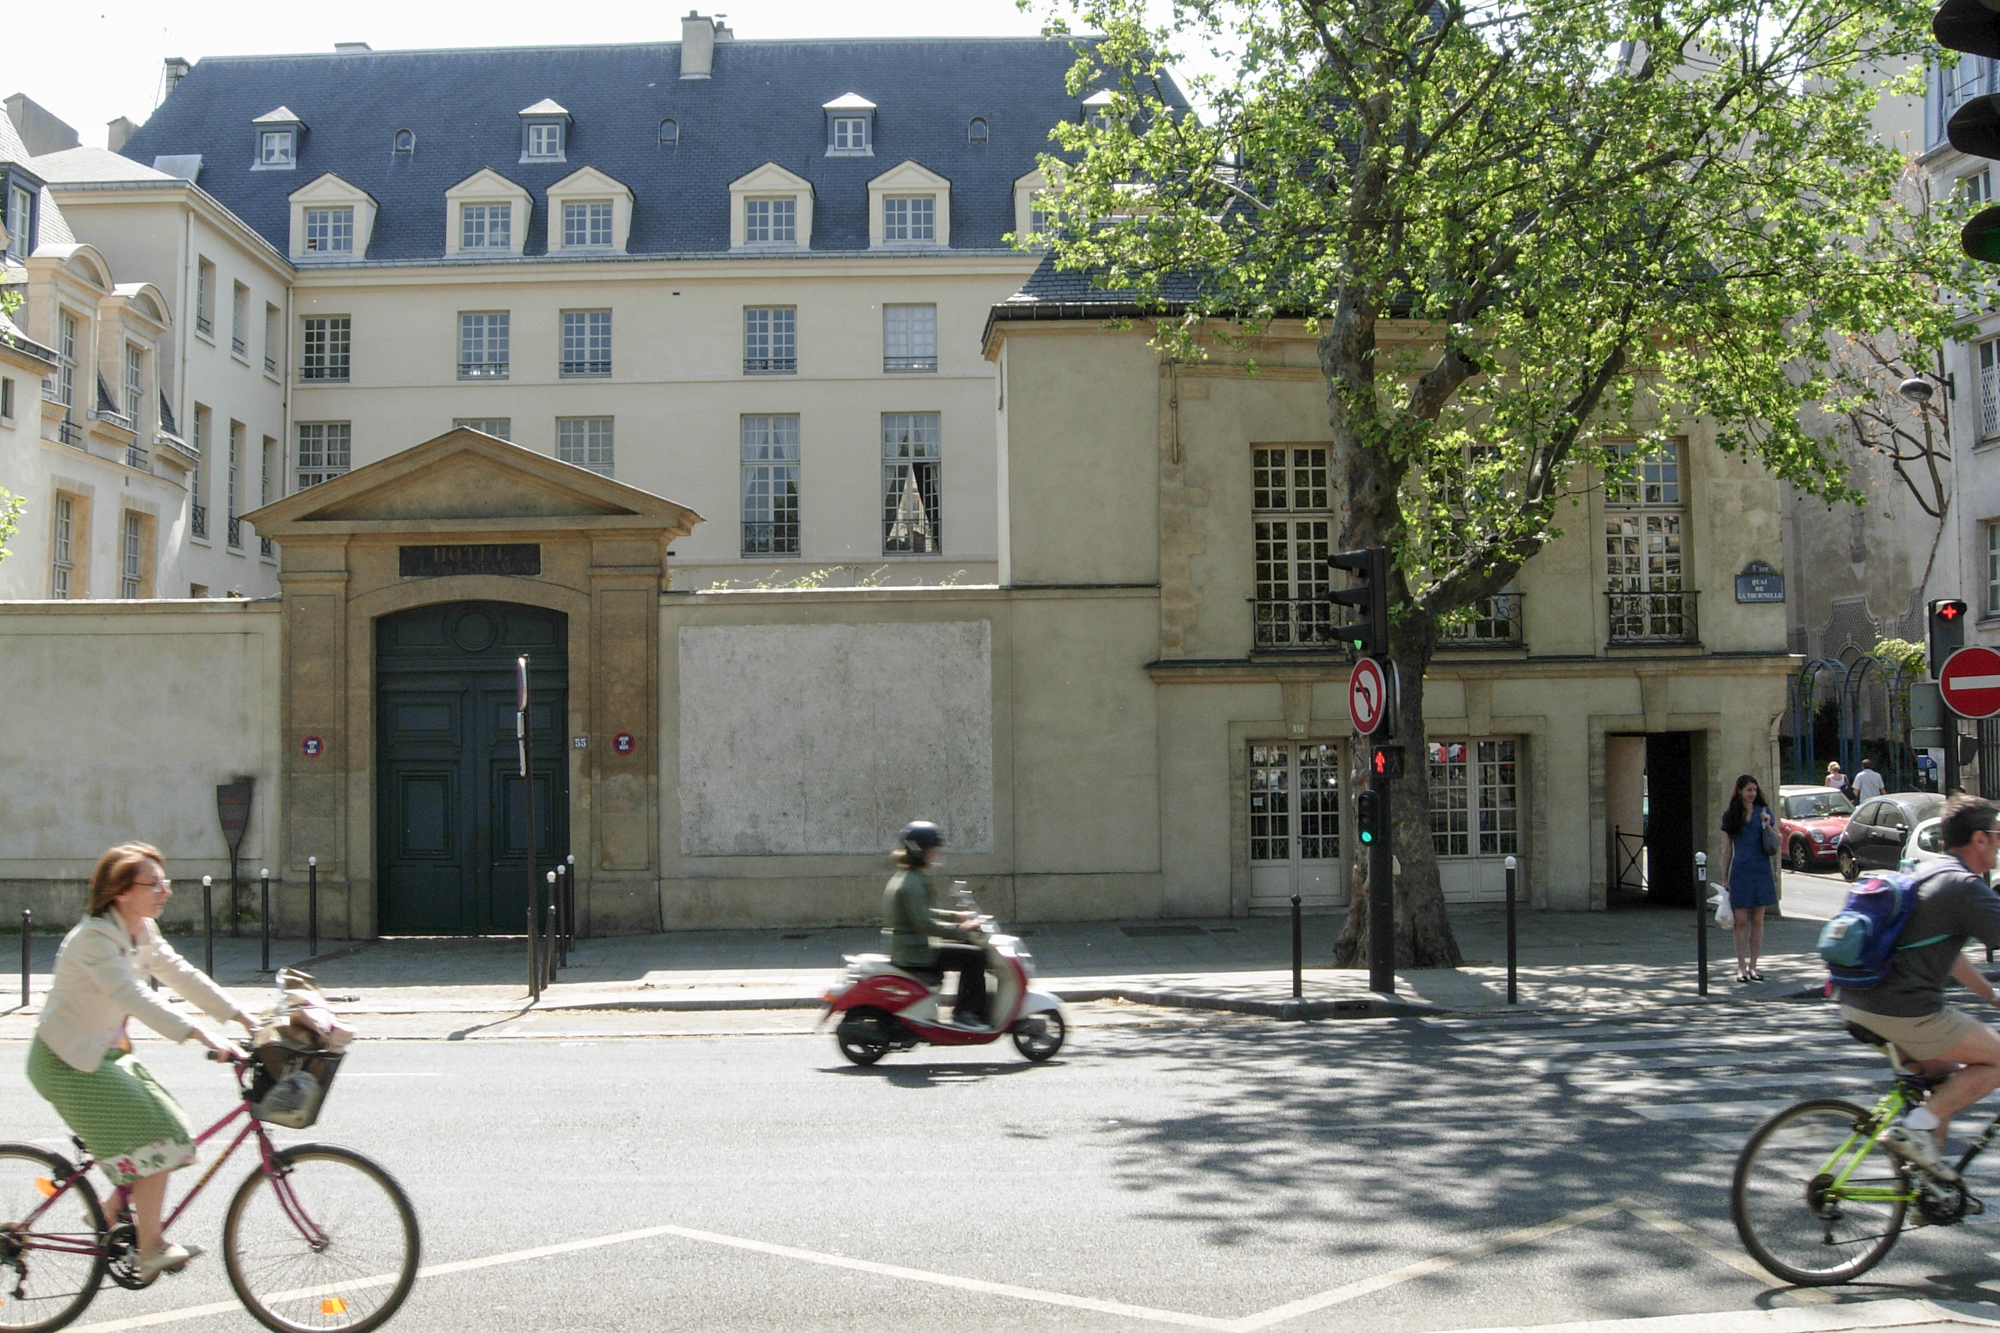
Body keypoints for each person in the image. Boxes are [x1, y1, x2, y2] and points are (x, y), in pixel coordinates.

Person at [27, 844, 254, 1283]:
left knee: (173, 1130)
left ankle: (113, 1210)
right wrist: (202, 1034)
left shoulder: (139, 928)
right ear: (120, 892)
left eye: (164, 881)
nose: (166, 891)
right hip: (64, 1063)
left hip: (103, 1056)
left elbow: (178, 972)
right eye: (154, 883)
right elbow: (133, 995)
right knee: (159, 1136)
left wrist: (242, 1016)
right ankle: (149, 1247)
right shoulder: (93, 939)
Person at [1839, 795, 2000, 1186]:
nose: (1999, 843)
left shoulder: (1928, 871)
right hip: (1905, 1009)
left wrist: (1992, 998)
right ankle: (1914, 1130)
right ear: (1979, 839)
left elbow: (1954, 959)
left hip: (1859, 1001)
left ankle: (1925, 1190)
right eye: (1997, 835)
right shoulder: (1964, 886)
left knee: (1943, 1083)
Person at [881, 821, 988, 1027]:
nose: (936, 854)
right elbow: (923, 923)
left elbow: (923, 913)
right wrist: (959, 930)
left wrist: (956, 916)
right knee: (975, 957)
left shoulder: (909, 877)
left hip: (912, 947)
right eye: (933, 849)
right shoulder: (911, 883)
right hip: (915, 952)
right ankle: (966, 1015)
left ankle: (966, 1012)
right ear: (920, 851)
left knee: (968, 950)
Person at [1717, 774, 1778, 984]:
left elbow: (1777, 840)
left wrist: (1768, 825)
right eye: (1748, 790)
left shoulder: (1764, 812)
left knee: (1758, 920)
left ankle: (1754, 966)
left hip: (1761, 870)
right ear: (1740, 791)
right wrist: (1724, 877)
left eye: (1754, 789)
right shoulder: (1731, 815)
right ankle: (1741, 967)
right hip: (1740, 871)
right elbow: (1727, 849)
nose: (1752, 793)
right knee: (1740, 920)